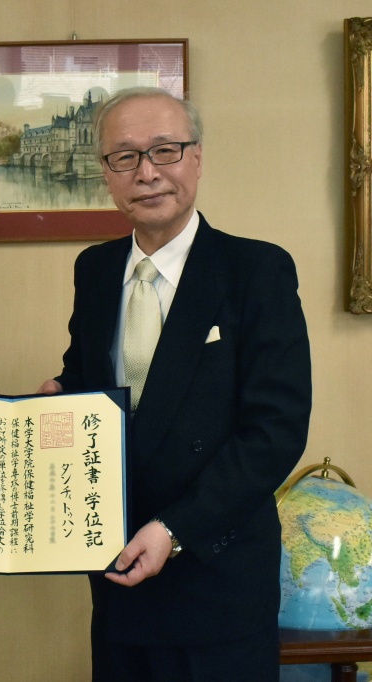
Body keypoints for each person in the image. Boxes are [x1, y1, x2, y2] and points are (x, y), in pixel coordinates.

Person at [37, 87, 312, 681]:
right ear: (105, 173)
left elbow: (275, 431)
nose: (147, 173)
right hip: (116, 565)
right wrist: (55, 401)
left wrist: (175, 529)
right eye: (125, 157)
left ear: (197, 157)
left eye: (165, 150)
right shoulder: (96, 268)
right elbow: (89, 381)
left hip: (217, 570)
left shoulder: (257, 270)